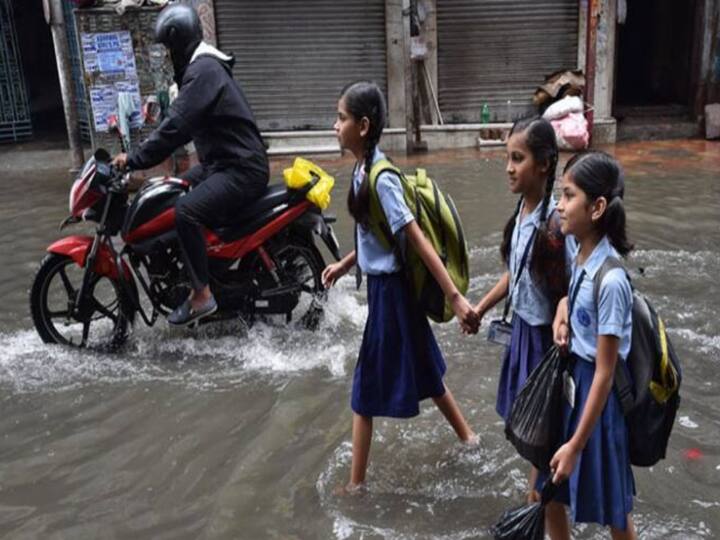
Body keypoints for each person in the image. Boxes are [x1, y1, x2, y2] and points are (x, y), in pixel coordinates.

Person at [321, 81, 480, 493]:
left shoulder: (381, 177)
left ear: (363, 125)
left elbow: (413, 237)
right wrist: (344, 264)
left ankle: (356, 485)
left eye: (341, 118)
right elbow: (377, 237)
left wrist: (455, 296)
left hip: (392, 294)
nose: (335, 125)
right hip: (385, 291)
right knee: (426, 370)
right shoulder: (361, 171)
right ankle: (469, 438)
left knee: (363, 389)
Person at [112, 4, 269, 326]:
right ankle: (202, 268)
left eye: (169, 49)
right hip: (222, 164)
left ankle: (202, 295)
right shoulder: (202, 69)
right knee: (171, 187)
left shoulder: (204, 71)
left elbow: (175, 126)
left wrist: (135, 159)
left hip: (241, 169)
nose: (168, 56)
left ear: (179, 42)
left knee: (186, 210)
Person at [473, 117, 569, 501]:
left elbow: (571, 292)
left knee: (543, 433)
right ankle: (537, 500)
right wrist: (480, 308)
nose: (509, 168)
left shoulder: (556, 225)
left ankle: (537, 502)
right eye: (507, 158)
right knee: (532, 430)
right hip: (522, 335)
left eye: (518, 158)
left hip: (546, 343)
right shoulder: (522, 214)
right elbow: (515, 275)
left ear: (543, 164)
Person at [543, 151, 636, 539]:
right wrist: (562, 308)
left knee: (615, 512)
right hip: (574, 390)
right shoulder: (581, 254)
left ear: (597, 207)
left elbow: (606, 369)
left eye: (567, 196)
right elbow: (577, 298)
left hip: (598, 399)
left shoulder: (612, 280)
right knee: (551, 492)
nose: (558, 206)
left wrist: (577, 444)